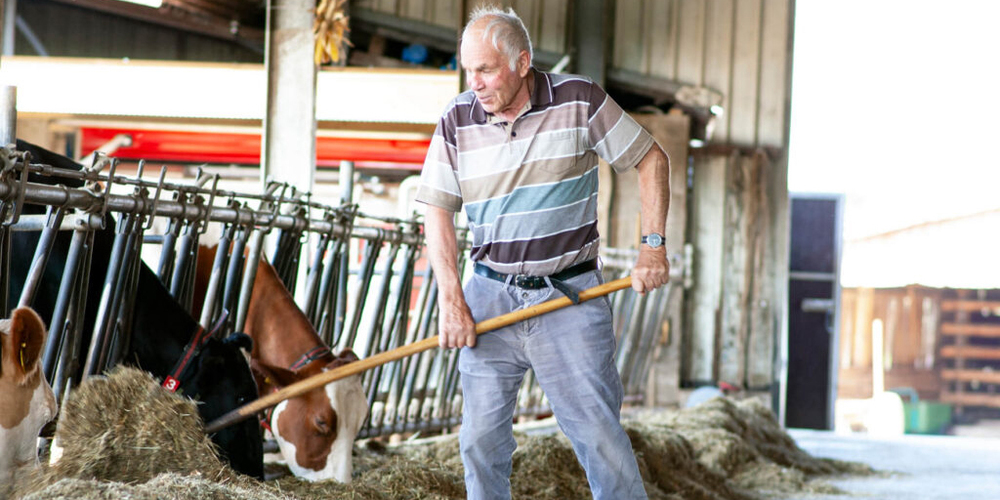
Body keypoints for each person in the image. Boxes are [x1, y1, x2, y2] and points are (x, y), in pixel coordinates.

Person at [415, 6, 670, 500]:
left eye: (487, 69)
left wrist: (652, 248)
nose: (477, 83)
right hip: (489, 295)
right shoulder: (456, 119)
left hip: (570, 297)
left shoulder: (578, 100)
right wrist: (451, 297)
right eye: (470, 70)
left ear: (522, 62)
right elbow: (436, 210)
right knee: (478, 441)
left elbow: (650, 158)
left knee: (599, 438)